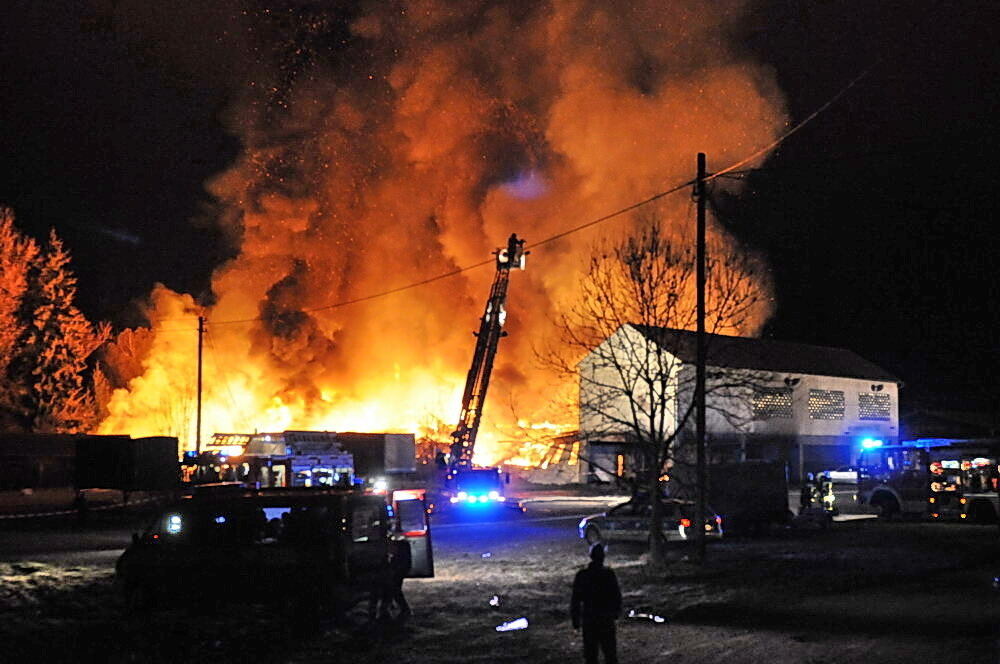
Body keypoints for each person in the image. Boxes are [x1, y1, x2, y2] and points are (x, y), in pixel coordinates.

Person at [570, 543, 622, 664]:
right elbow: (616, 595)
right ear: (603, 557)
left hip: (589, 619)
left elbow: (575, 600)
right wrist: (615, 613)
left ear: (591, 556)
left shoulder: (582, 575)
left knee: (590, 655)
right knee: (610, 653)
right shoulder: (608, 574)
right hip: (606, 618)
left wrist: (575, 621)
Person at [379, 534, 412, 621]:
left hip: (398, 570)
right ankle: (386, 608)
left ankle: (402, 609)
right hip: (400, 569)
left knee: (394, 589)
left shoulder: (400, 545)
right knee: (393, 589)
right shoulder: (401, 543)